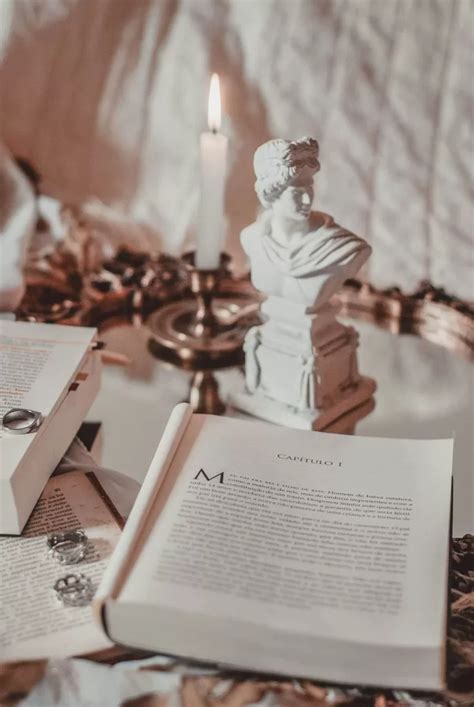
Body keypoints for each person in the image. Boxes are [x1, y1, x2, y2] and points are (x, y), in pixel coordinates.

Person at [241, 137, 371, 309]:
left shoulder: (344, 248)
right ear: (272, 193)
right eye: (296, 193)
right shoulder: (252, 238)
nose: (307, 199)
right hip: (275, 323)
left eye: (310, 188)